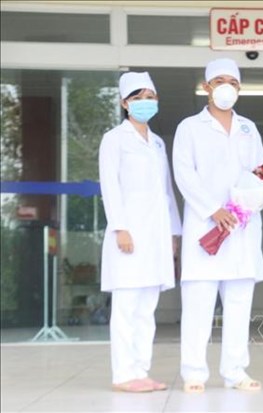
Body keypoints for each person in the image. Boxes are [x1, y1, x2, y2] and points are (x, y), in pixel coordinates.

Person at [172, 58, 263, 393]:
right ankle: (194, 373)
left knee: (240, 305)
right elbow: (184, 175)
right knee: (198, 305)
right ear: (206, 87)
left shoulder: (248, 128)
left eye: (233, 81)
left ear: (239, 88)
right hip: (206, 229)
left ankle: (235, 371)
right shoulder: (189, 127)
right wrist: (213, 210)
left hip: (242, 230)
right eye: (219, 80)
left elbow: (259, 172)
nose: (227, 86)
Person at [99, 71, 182, 392]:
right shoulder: (114, 139)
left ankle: (141, 370)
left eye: (150, 97)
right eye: (137, 98)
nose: (145, 103)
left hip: (156, 235)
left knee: (147, 307)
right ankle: (123, 374)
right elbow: (110, 185)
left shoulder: (158, 142)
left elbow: (166, 192)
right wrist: (120, 227)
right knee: (126, 306)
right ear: (124, 103)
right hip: (128, 235)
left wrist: (174, 233)